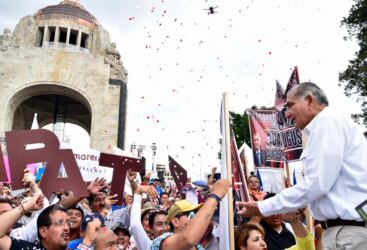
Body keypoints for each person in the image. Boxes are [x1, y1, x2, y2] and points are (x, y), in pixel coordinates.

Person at [237, 82, 367, 249]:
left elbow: (316, 183)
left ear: (310, 100)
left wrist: (263, 206)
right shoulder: (329, 124)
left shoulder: (328, 121)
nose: (287, 114)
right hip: (347, 231)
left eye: (290, 106)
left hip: (347, 234)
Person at [151, 179, 230, 250]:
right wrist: (215, 196)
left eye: (197, 213)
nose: (197, 218)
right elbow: (188, 240)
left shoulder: (199, 247)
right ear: (175, 221)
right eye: (191, 214)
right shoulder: (161, 241)